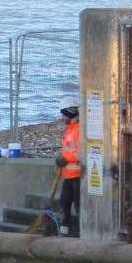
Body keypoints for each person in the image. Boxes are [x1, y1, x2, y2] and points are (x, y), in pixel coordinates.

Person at [55, 99, 82, 236]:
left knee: (78, 205)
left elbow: (80, 154)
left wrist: (65, 159)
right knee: (64, 203)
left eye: (63, 114)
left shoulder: (78, 130)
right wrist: (60, 158)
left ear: (69, 113)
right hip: (68, 175)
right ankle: (64, 230)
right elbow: (67, 149)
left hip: (77, 176)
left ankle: (80, 233)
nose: (62, 117)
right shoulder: (70, 130)